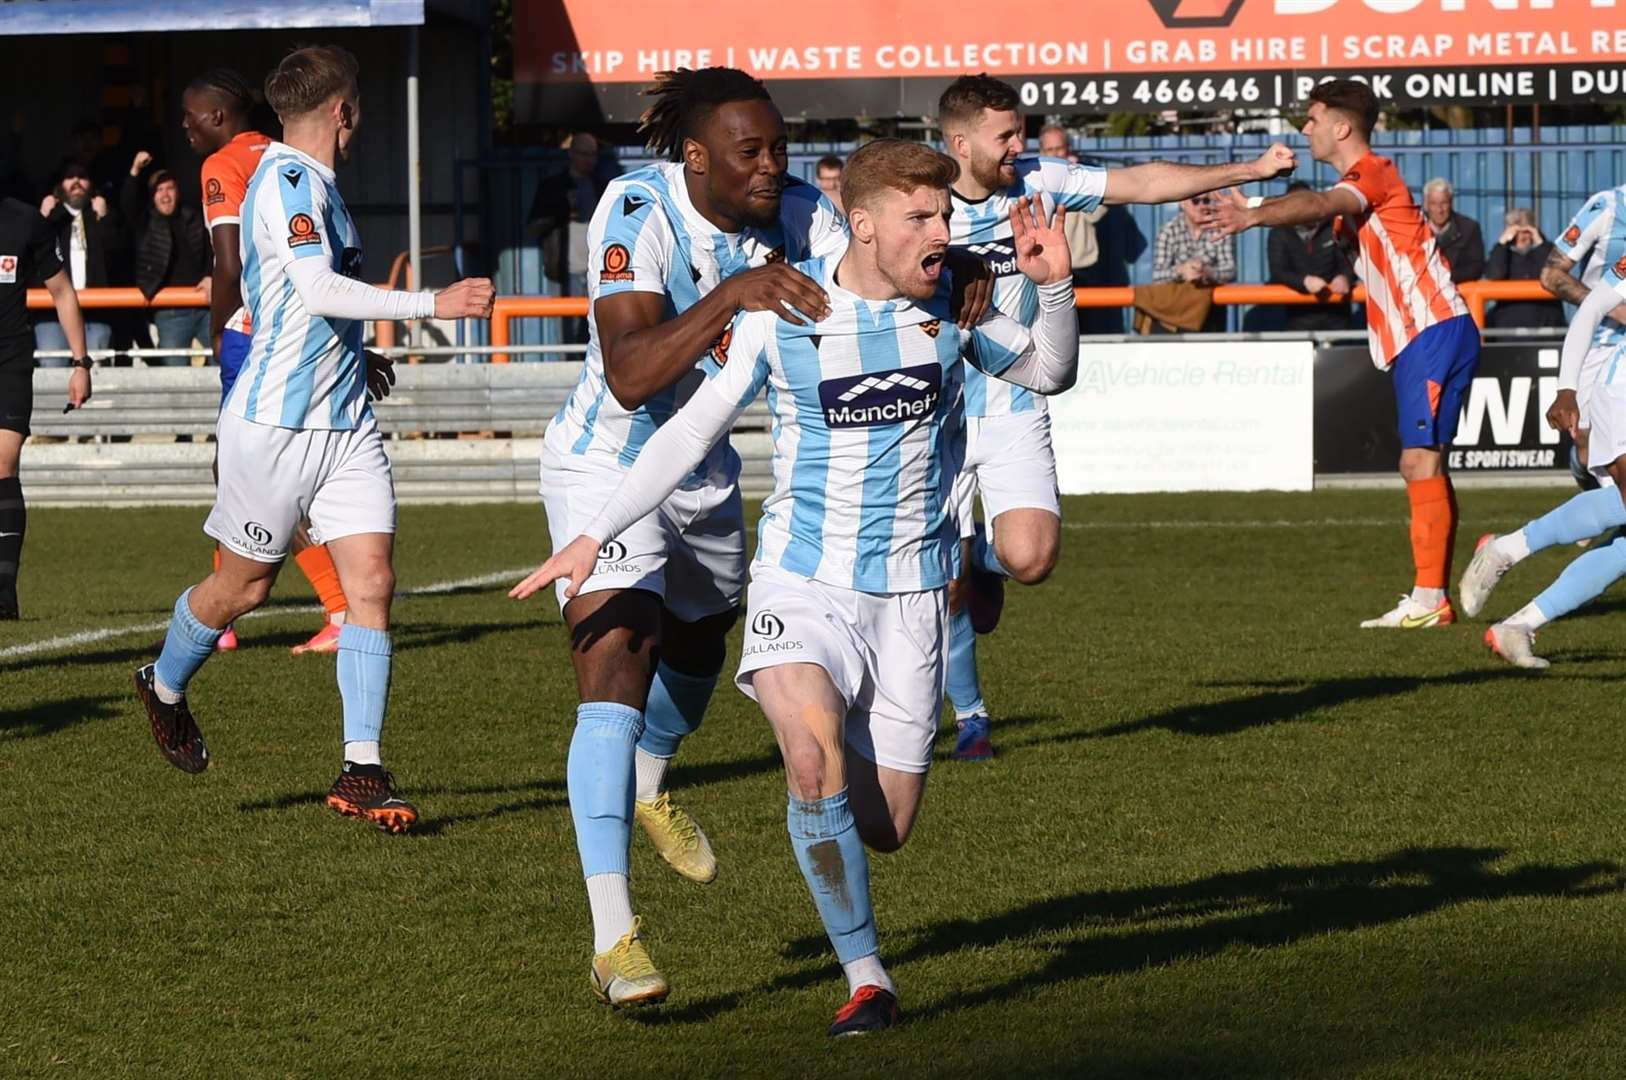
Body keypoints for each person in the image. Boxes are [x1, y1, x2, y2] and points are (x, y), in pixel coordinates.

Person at [511, 139, 1080, 1036]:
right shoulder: (788, 307)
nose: (944, 231)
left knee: (884, 826)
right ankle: (867, 978)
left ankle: (840, 811)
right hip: (802, 579)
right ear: (862, 224)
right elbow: (686, 430)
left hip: (913, 593)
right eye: (922, 217)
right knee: (807, 757)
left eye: (943, 215)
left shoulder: (953, 306)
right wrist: (595, 531)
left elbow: (1050, 371)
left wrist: (1051, 289)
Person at [523, 66, 852, 1009]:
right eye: (750, 151)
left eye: (778, 147)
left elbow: (860, 283)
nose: (771, 166)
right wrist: (738, 291)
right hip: (606, 464)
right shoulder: (636, 206)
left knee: (705, 641)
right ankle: (614, 936)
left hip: (705, 471)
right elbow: (630, 372)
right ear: (696, 155)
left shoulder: (798, 210)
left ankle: (649, 781)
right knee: (620, 656)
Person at [132, 45, 494, 830]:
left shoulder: (318, 183)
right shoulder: (289, 178)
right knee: (244, 589)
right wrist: (437, 299)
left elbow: (305, 308)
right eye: (357, 102)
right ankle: (163, 684)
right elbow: (314, 284)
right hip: (275, 426)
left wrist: (354, 357)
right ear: (344, 111)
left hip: (344, 426)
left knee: (372, 586)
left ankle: (362, 769)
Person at [936, 72, 1293, 759]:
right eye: (1004, 135)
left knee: (1031, 559)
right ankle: (973, 718)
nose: (1020, 143)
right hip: (938, 417)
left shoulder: (1040, 177)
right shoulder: (921, 198)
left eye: (1020, 131)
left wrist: (1249, 166)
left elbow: (1146, 182)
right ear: (960, 141)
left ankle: (986, 563)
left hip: (1016, 403)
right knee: (940, 580)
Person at [1205, 78, 1479, 629]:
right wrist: (1258, 194)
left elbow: (1327, 200)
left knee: (1417, 461)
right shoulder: (1356, 191)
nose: (1304, 129)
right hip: (1418, 336)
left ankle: (1430, 600)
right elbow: (1321, 206)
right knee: (1424, 462)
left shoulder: (1372, 173)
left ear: (1342, 126)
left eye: (1312, 118)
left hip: (1431, 329)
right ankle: (1437, 594)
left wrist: (1255, 213)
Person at [184, 67, 351, 656]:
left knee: (257, 475)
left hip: (255, 335)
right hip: (305, 330)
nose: (185, 127)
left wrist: (218, 331)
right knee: (246, 473)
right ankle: (230, 614)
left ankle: (333, 607)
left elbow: (228, 260)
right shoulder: (289, 157)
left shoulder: (222, 164)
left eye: (193, 116)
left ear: (221, 118)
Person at [1458, 200, 1626, 668]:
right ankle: (1508, 550)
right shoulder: (1611, 207)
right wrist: (1567, 389)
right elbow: (1591, 309)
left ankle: (1517, 624)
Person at [0, 195, 93, 618]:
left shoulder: (24, 221)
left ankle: (4, 591)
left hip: (10, 360)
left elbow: (61, 290)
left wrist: (80, 363)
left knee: (3, 466)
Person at [122, 152, 212, 365]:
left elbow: (213, 249)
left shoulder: (193, 217)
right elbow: (127, 204)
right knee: (174, 370)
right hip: (169, 311)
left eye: (170, 188)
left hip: (205, 305)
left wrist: (210, 276)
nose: (165, 195)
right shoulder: (145, 222)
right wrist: (135, 170)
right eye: (159, 190)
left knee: (224, 362)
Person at [527, 131, 614, 344]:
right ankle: (566, 373)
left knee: (599, 332)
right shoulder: (553, 187)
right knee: (565, 333)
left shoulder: (603, 186)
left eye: (593, 155)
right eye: (584, 154)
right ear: (571, 154)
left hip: (599, 273)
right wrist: (560, 211)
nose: (589, 160)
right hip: (565, 270)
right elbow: (534, 225)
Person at [34, 161, 120, 365]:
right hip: (51, 313)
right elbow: (30, 258)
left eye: (82, 176)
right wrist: (41, 219)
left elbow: (118, 258)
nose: (76, 181)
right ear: (60, 185)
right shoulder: (50, 217)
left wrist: (105, 219)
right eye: (69, 176)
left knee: (96, 372)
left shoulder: (101, 214)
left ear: (91, 184)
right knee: (53, 372)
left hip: (95, 311)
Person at [1266, 180, 1355, 332]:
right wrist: (1304, 281)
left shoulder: (1334, 227)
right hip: (1297, 315)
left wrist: (1344, 277)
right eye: (1295, 204)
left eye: (1306, 202)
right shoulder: (1279, 232)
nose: (1302, 209)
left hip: (1337, 312)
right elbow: (1278, 270)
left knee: (1339, 352)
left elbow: (1350, 260)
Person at [1484, 208, 1565, 330]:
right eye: (1516, 232)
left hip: (1546, 324)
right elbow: (1495, 274)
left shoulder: (1546, 250)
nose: (1521, 237)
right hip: (1508, 326)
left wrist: (1539, 243)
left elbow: (1554, 273)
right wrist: (1502, 244)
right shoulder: (1502, 254)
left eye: (1526, 231)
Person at [1422, 177, 1485, 285]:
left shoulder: (1469, 229)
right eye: (1433, 204)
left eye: (1444, 203)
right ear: (1426, 205)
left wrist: (1445, 277)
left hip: (1457, 294)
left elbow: (1476, 268)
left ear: (1451, 203)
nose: (1439, 209)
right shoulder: (1415, 228)